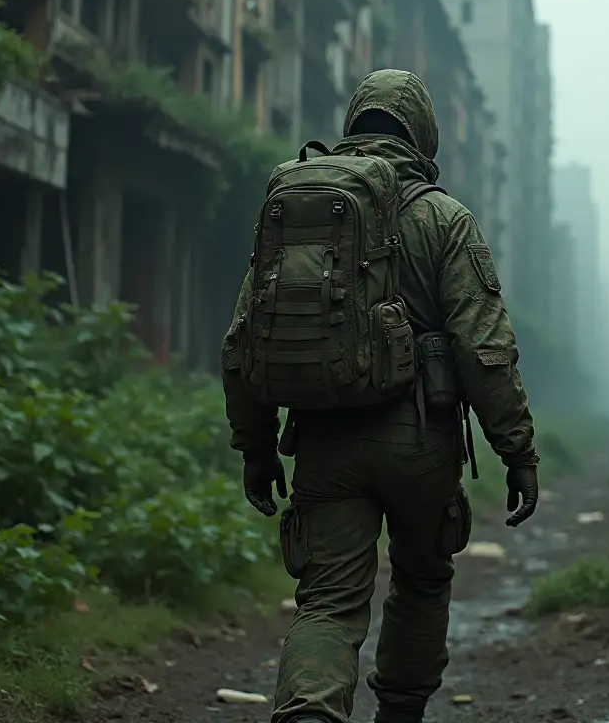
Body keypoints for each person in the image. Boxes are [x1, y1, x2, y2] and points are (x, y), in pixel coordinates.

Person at [220, 69, 540, 723]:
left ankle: (311, 714)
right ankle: (398, 715)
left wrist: (256, 448)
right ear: (423, 132)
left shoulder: (300, 211)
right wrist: (518, 450)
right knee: (422, 582)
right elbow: (485, 350)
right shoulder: (444, 217)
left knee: (329, 602)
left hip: (325, 439)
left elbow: (243, 340)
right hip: (421, 442)